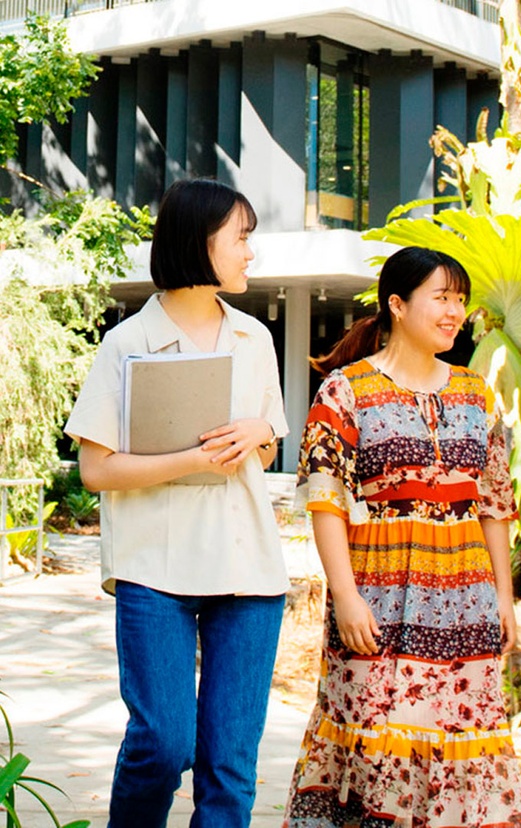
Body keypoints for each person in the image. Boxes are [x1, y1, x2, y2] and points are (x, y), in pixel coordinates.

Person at [64, 178, 290, 828]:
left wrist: (259, 432)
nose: (252, 254)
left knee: (228, 768)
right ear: (199, 244)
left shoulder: (255, 340)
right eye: (241, 239)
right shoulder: (126, 343)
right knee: (162, 744)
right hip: (153, 572)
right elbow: (97, 470)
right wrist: (190, 460)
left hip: (247, 574)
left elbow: (267, 447)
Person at [282, 246, 521, 828]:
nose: (455, 311)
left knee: (459, 737)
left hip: (465, 602)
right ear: (397, 304)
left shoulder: (474, 393)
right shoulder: (345, 391)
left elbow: (492, 502)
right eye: (441, 297)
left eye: (460, 299)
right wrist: (344, 596)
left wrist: (504, 596)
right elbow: (326, 499)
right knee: (372, 743)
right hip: (378, 600)